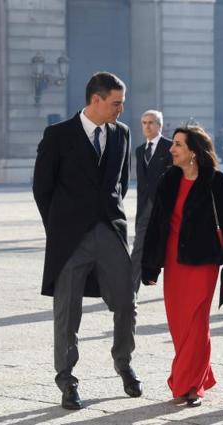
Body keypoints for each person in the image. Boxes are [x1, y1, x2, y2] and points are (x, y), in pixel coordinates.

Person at [32, 72, 142, 410]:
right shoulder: (58, 135)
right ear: (96, 100)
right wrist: (60, 228)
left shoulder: (121, 134)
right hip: (69, 239)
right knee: (68, 313)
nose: (121, 109)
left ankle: (123, 363)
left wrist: (114, 219)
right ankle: (67, 380)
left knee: (126, 302)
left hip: (110, 231)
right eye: (116, 103)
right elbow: (42, 188)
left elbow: (120, 184)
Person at [141, 125, 223, 407]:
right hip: (173, 260)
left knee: (196, 323)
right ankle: (199, 373)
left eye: (178, 145)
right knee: (179, 325)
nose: (171, 149)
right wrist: (150, 267)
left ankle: (190, 385)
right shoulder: (168, 180)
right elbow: (156, 224)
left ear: (193, 151)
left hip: (203, 260)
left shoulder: (215, 181)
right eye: (173, 144)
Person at [130, 110, 172, 292]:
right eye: (144, 123)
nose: (147, 126)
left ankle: (175, 288)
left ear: (160, 125)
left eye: (151, 123)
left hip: (165, 208)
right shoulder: (140, 151)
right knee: (138, 247)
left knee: (170, 249)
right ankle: (130, 290)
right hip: (145, 208)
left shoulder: (171, 148)